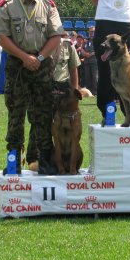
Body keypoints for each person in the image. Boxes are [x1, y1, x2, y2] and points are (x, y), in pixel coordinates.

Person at [0, 0, 63, 175]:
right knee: (16, 115)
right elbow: (2, 37)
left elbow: (56, 36)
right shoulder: (7, 7)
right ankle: (13, 162)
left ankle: (44, 160)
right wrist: (25, 58)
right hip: (17, 67)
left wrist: (38, 58)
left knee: (43, 115)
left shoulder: (49, 6)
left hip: (42, 66)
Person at [26, 35, 81, 171]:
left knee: (63, 131)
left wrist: (74, 94)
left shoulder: (68, 45)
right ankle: (36, 159)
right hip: (43, 90)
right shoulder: (37, 44)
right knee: (39, 124)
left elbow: (73, 70)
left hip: (63, 93)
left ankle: (58, 162)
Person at [80, 26, 98, 95]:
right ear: (88, 32)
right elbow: (82, 49)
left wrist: (89, 54)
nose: (91, 33)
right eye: (90, 31)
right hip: (87, 62)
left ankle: (96, 92)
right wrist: (84, 53)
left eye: (93, 31)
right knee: (87, 77)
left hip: (94, 62)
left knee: (95, 77)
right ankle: (88, 93)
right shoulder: (85, 41)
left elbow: (98, 50)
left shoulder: (97, 40)